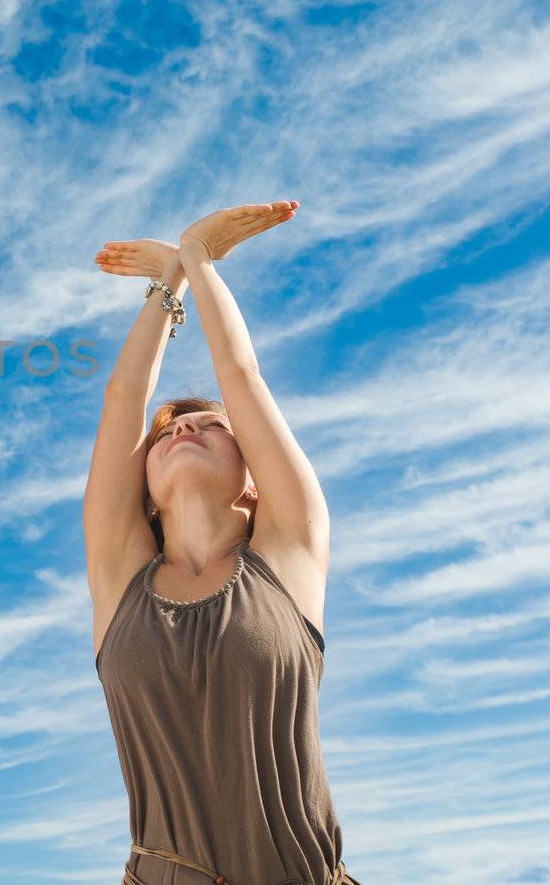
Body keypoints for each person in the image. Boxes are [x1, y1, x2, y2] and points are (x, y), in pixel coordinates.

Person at [83, 201, 362, 885]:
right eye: (167, 433)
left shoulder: (288, 554)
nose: (182, 430)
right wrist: (164, 286)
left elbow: (242, 378)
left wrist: (198, 259)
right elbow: (124, 399)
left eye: (209, 426)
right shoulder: (121, 578)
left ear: (253, 480)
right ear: (144, 491)